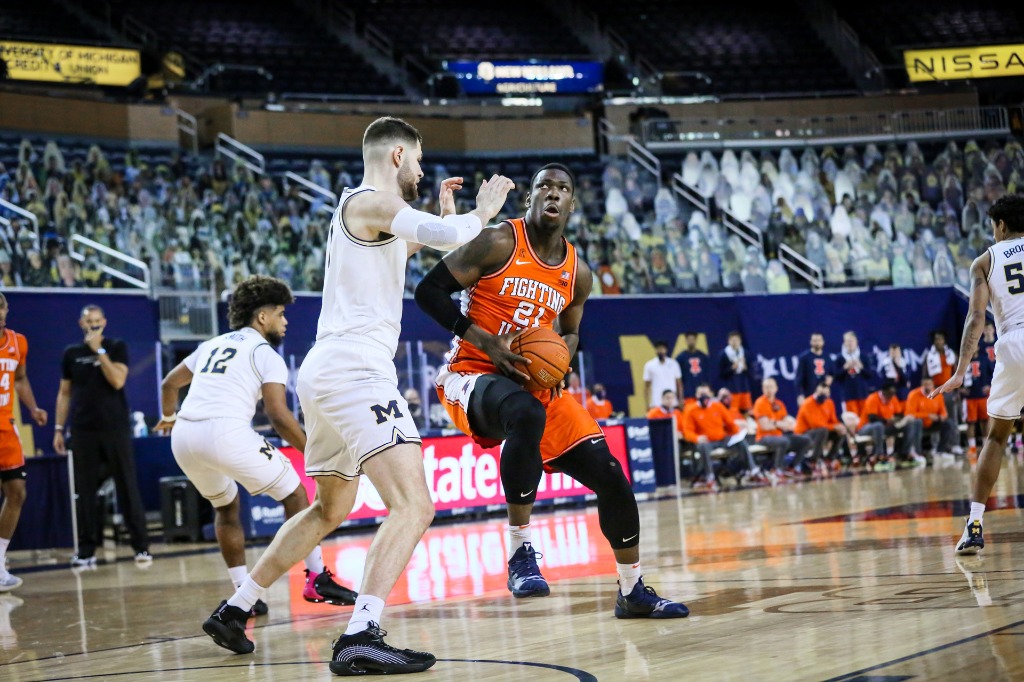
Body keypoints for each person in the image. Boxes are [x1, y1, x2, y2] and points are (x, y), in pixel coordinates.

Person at [202, 116, 515, 674]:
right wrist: (480, 214)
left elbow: (423, 242)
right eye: (418, 160)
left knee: (330, 509)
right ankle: (361, 634)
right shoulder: (370, 200)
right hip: (355, 371)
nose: (421, 170)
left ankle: (236, 607)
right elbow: (450, 237)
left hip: (328, 372)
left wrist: (448, 219)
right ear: (397, 156)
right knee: (414, 505)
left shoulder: (372, 214)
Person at [416, 162, 688, 619]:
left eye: (563, 188)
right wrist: (485, 341)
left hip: (531, 386)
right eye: (544, 186)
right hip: (472, 373)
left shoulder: (578, 272)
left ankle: (631, 589)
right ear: (531, 198)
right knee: (524, 413)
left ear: (573, 203)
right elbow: (428, 291)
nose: (553, 194)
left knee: (612, 477)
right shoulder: (500, 241)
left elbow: (572, 333)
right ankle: (521, 551)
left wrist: (560, 361)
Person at [156, 276, 357, 616]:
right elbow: (278, 416)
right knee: (296, 495)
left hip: (184, 437)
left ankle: (242, 594)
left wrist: (167, 416)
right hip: (224, 433)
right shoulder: (264, 353)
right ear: (262, 317)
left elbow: (169, 383)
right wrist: (313, 450)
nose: (285, 321)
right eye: (280, 313)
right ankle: (316, 577)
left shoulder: (211, 344)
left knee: (226, 508)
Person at [933, 194, 1024, 555]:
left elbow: (976, 318)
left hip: (1014, 343)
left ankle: (974, 525)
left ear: (1000, 226)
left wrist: (959, 371)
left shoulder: (985, 261)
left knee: (997, 437)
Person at [53, 305, 151, 567]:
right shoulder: (71, 353)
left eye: (97, 322)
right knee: (85, 491)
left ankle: (141, 547)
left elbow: (118, 380)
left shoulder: (116, 347)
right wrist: (58, 429)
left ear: (104, 323)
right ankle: (86, 550)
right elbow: (64, 393)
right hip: (84, 430)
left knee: (127, 487)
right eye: (88, 322)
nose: (93, 326)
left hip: (115, 428)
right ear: (81, 324)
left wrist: (100, 351)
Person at [0, 293, 47, 591]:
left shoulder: (19, 343)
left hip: (5, 427)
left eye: (1, 308)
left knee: (17, 492)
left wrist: (33, 407)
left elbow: (20, 379)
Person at [682, 383, 760, 491]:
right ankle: (709, 477)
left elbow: (730, 424)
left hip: (721, 439)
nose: (703, 396)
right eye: (701, 394)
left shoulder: (717, 406)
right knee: (703, 446)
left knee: (740, 441)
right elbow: (687, 432)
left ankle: (753, 470)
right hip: (706, 441)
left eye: (705, 393)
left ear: (711, 394)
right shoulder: (690, 409)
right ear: (696, 395)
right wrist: (697, 438)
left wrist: (737, 433)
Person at [752, 377, 812, 478]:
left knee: (805, 440)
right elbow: (765, 426)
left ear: (776, 388)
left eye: (771, 387)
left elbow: (790, 423)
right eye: (766, 387)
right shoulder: (760, 403)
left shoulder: (779, 404)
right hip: (763, 437)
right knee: (784, 441)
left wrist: (776, 423)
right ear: (762, 389)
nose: (768, 389)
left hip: (779, 435)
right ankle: (776, 469)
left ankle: (793, 467)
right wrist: (780, 424)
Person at [857, 380, 922, 469]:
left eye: (893, 393)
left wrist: (901, 419)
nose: (892, 395)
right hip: (866, 428)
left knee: (909, 424)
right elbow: (872, 418)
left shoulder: (893, 398)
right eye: (890, 393)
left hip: (885, 427)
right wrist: (888, 420)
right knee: (878, 425)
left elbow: (899, 413)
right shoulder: (873, 398)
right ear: (883, 391)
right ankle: (879, 456)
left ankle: (904, 454)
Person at [794, 380, 848, 472]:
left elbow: (833, 420)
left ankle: (829, 459)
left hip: (822, 431)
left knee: (841, 432)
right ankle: (813, 460)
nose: (824, 396)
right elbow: (814, 424)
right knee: (822, 431)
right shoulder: (807, 403)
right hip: (804, 433)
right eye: (822, 393)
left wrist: (839, 426)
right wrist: (834, 427)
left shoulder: (829, 402)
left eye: (826, 393)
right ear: (816, 391)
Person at [924, 330, 962, 454]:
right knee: (937, 420)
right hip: (936, 393)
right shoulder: (929, 356)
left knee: (953, 418)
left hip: (950, 392)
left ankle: (955, 444)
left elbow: (957, 373)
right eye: (936, 339)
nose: (938, 341)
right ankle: (936, 446)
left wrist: (957, 392)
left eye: (940, 339)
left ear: (944, 340)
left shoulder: (951, 354)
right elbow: (925, 376)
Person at [905, 375, 956, 460]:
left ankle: (940, 451)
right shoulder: (913, 394)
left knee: (948, 423)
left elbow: (943, 411)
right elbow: (909, 414)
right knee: (917, 422)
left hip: (932, 423)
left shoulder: (938, 395)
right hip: (919, 424)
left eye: (929, 384)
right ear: (922, 385)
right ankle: (918, 452)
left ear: (933, 384)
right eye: (925, 384)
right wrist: (927, 415)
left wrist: (942, 416)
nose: (927, 386)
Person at [962, 346, 994, 455]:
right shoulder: (963, 360)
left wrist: (989, 385)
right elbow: (957, 376)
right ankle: (972, 448)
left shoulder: (984, 359)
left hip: (982, 396)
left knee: (985, 421)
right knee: (970, 423)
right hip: (969, 398)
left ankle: (986, 446)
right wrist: (961, 388)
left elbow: (993, 374)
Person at [837, 330, 874, 423]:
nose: (849, 343)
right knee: (852, 421)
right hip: (848, 395)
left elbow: (869, 375)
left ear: (856, 342)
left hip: (862, 394)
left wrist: (861, 367)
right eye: (847, 341)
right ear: (844, 343)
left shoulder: (863, 357)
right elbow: (836, 377)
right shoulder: (840, 358)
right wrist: (845, 368)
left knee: (865, 420)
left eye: (851, 341)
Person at [718, 331, 755, 415]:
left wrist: (746, 368)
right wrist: (732, 368)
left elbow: (752, 372)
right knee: (733, 412)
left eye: (736, 340)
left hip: (744, 387)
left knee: (748, 411)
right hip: (732, 388)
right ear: (729, 341)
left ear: (740, 341)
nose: (735, 342)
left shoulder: (745, 353)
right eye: (732, 340)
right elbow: (721, 374)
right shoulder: (723, 354)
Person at [794, 332, 834, 405]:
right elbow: (798, 379)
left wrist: (831, 378)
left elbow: (832, 373)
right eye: (814, 340)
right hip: (809, 395)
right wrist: (800, 394)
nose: (817, 343)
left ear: (823, 342)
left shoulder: (827, 357)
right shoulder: (804, 358)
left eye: (819, 340)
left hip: (823, 395)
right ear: (811, 342)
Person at [642, 340, 682, 409]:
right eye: (658, 349)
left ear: (666, 350)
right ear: (655, 351)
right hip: (656, 403)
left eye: (662, 349)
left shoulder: (674, 364)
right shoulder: (649, 365)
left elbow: (679, 384)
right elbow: (646, 387)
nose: (660, 351)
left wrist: (680, 400)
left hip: (672, 402)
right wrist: (647, 404)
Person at [676, 332, 710, 405]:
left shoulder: (702, 356)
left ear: (696, 340)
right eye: (689, 339)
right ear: (686, 341)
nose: (691, 341)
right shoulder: (680, 358)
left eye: (693, 339)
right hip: (688, 392)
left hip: (701, 392)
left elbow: (706, 374)